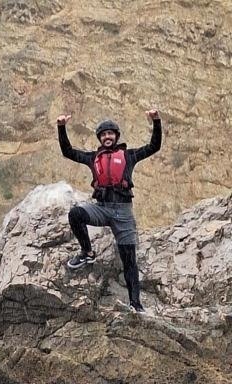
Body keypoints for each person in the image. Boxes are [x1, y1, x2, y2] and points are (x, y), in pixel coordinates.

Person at [57, 110, 162, 312]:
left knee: (129, 259)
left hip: (123, 213)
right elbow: (68, 152)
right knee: (76, 214)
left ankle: (136, 304)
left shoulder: (129, 156)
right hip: (102, 209)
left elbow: (154, 146)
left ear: (116, 136)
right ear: (99, 138)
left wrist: (156, 121)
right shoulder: (92, 158)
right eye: (103, 134)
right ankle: (87, 252)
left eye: (110, 134)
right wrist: (61, 127)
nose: (107, 137)